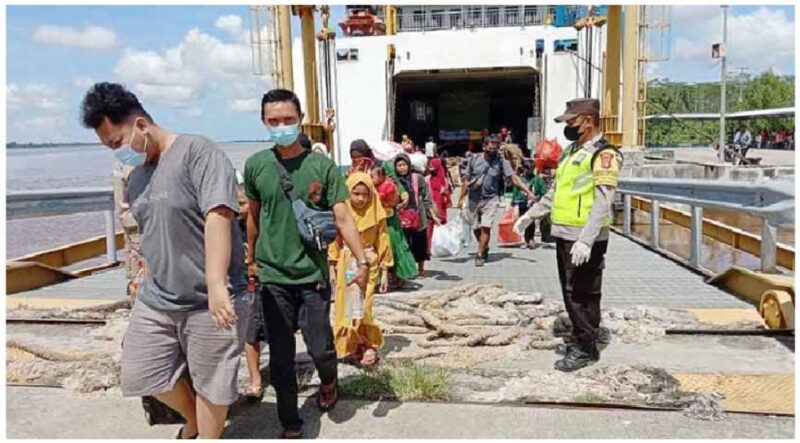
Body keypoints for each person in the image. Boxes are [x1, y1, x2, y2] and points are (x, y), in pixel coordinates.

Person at [81, 82, 248, 439]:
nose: (118, 153)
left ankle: (206, 434)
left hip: (209, 300)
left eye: (117, 143)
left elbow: (218, 214)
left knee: (212, 384)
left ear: (140, 125)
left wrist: (218, 285)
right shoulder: (138, 177)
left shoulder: (197, 151)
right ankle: (193, 421)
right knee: (140, 370)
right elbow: (152, 231)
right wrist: (146, 270)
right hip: (158, 297)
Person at [244, 89, 369, 439]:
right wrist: (250, 258)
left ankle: (329, 380)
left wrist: (363, 261)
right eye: (273, 121)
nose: (281, 126)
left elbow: (343, 219)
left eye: (287, 120)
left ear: (299, 120)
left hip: (313, 275)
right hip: (273, 276)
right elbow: (253, 217)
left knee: (320, 347)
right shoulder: (256, 166)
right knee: (281, 354)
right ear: (264, 123)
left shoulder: (322, 167)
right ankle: (290, 419)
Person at [514, 98, 623, 372]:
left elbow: (603, 200)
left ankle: (585, 348)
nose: (568, 127)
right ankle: (587, 336)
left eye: (572, 121)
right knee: (580, 292)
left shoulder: (604, 155)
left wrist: (586, 239)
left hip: (584, 238)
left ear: (587, 120)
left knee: (579, 294)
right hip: (564, 234)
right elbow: (556, 192)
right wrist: (531, 215)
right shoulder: (572, 152)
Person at [328, 173, 393, 367]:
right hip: (346, 263)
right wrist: (331, 266)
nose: (361, 199)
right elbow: (335, 241)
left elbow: (383, 241)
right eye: (355, 193)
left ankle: (369, 344)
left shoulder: (377, 214)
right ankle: (352, 346)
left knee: (365, 306)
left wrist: (385, 272)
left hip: (369, 263)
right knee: (346, 307)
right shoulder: (342, 213)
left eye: (365, 194)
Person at [458, 134, 535, 267]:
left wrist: (528, 191)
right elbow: (466, 179)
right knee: (475, 227)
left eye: (495, 148)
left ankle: (480, 254)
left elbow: (514, 178)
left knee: (486, 227)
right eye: (490, 148)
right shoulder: (474, 159)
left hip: (491, 199)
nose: (493, 151)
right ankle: (484, 246)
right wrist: (461, 197)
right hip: (473, 199)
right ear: (484, 146)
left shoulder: (501, 161)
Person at [236, 175, 267, 401]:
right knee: (250, 333)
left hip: (266, 283)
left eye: (243, 203)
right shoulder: (229, 228)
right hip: (243, 288)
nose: (240, 209)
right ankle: (255, 379)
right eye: (236, 203)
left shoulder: (263, 225)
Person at [371, 164, 419, 286]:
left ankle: (400, 275)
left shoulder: (387, 185)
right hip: (377, 220)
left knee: (394, 245)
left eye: (373, 177)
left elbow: (397, 190)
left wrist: (404, 196)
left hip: (390, 220)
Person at [394, 153, 440, 277]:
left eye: (404, 165)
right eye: (399, 165)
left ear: (409, 165)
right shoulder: (394, 180)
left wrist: (433, 216)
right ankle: (407, 269)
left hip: (418, 216)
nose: (402, 168)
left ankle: (420, 269)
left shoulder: (418, 178)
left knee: (420, 243)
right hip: (400, 217)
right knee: (405, 244)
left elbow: (426, 198)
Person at [511, 160, 546, 248]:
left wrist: (538, 198)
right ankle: (525, 239)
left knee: (531, 221)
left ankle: (531, 239)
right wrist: (514, 200)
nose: (528, 171)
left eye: (530, 169)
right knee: (523, 220)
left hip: (533, 204)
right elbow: (516, 190)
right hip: (522, 203)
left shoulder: (537, 179)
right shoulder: (521, 180)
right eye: (526, 169)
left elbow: (544, 191)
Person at [426, 157, 452, 255]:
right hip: (431, 204)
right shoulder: (427, 179)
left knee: (439, 225)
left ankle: (439, 246)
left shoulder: (443, 179)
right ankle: (428, 247)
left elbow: (446, 192)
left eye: (433, 165)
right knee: (429, 226)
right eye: (430, 165)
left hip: (440, 205)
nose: (431, 167)